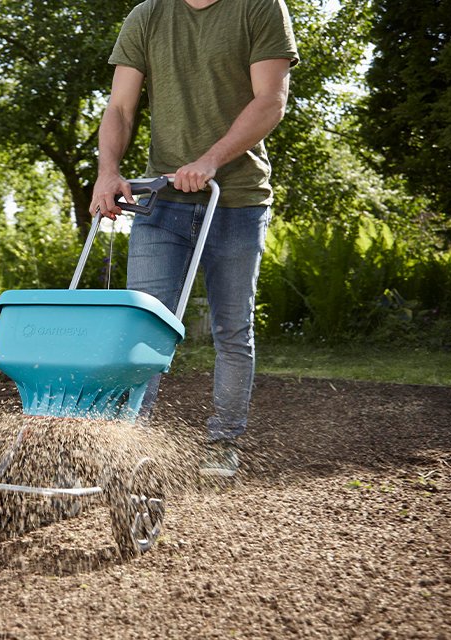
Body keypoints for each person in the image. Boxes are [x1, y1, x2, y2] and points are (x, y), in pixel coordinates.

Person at [91, 0, 299, 477]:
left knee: (231, 329)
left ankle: (222, 442)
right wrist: (108, 172)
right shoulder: (147, 15)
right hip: (160, 203)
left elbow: (270, 99)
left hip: (237, 200)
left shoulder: (260, 8)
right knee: (141, 328)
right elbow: (120, 107)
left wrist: (210, 159)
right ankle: (126, 448)